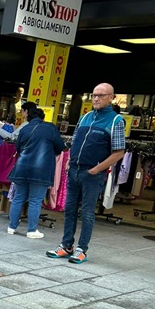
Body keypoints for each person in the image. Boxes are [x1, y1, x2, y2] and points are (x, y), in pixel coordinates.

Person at [46, 83, 125, 263]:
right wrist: (68, 162)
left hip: (92, 174)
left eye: (101, 95)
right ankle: (66, 245)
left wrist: (96, 169)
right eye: (94, 95)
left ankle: (82, 249)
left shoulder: (116, 121)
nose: (96, 99)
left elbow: (119, 152)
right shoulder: (85, 118)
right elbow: (74, 142)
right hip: (74, 170)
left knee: (88, 212)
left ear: (111, 97)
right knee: (69, 210)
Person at [6, 103, 65, 239]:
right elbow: (60, 147)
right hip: (41, 170)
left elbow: (18, 148)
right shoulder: (50, 128)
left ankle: (12, 226)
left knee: (18, 198)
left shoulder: (25, 129)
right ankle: (31, 230)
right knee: (35, 200)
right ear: (43, 118)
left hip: (21, 168)